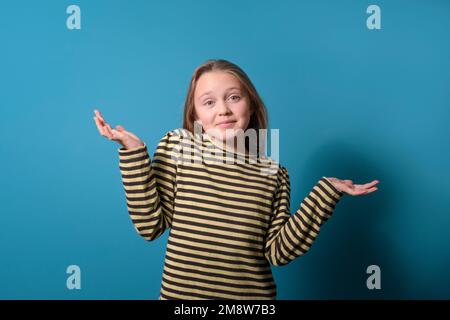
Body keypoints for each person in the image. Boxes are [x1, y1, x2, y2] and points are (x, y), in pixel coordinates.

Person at [93, 59, 379, 300]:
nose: (223, 110)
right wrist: (133, 153)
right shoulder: (178, 146)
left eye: (234, 97)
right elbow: (149, 226)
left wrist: (326, 193)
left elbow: (279, 252)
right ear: (196, 114)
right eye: (209, 102)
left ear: (251, 105)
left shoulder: (274, 173)